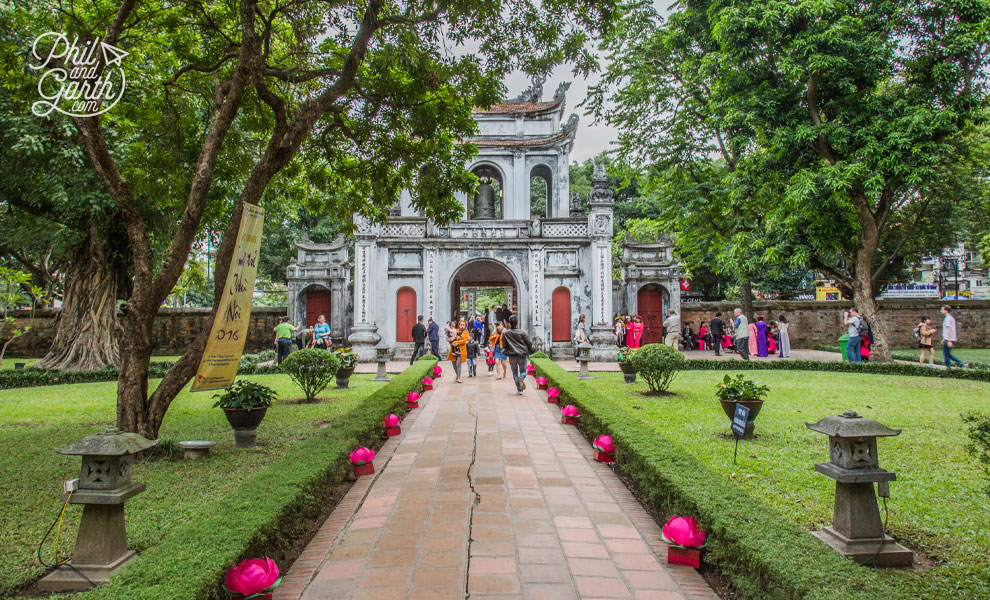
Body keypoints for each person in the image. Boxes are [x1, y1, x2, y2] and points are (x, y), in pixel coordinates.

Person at [502, 315, 537, 395]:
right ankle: (521, 377)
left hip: (512, 355)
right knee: (523, 371)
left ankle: (519, 389)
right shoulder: (522, 332)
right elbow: (529, 343)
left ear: (510, 323)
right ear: (517, 323)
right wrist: (531, 350)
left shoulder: (506, 333)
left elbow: (504, 345)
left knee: (514, 372)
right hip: (522, 354)